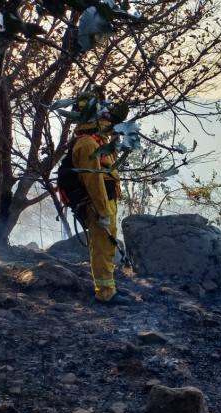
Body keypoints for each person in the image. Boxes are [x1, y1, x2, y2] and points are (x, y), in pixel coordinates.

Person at [71, 94, 123, 303]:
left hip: (107, 202)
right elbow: (94, 182)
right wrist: (103, 211)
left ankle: (109, 288)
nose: (106, 115)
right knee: (102, 247)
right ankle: (105, 294)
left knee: (106, 247)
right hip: (98, 205)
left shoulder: (98, 141)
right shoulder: (87, 144)